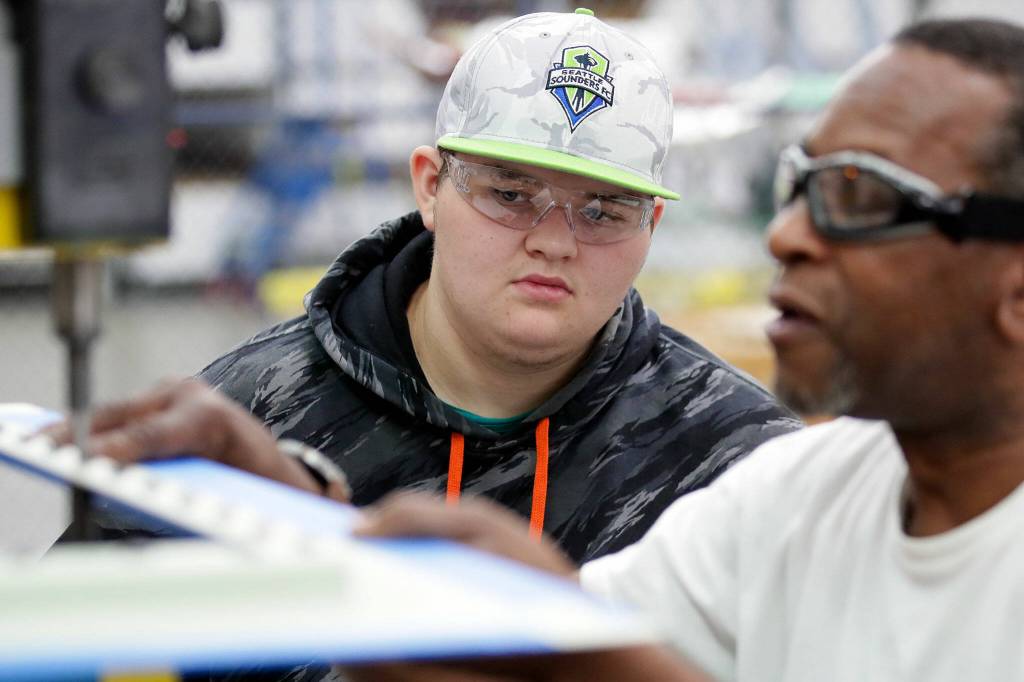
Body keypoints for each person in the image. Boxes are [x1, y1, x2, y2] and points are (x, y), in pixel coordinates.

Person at [341, 16, 1024, 682]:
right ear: (430, 184)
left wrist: (588, 659)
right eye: (799, 185)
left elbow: (578, 653)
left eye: (861, 195)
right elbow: (517, 650)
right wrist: (283, 515)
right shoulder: (797, 495)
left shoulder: (741, 443)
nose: (785, 234)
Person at [194, 7, 798, 565]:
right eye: (510, 196)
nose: (554, 241)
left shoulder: (737, 462)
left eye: (603, 212)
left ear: (651, 226)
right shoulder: (246, 431)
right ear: (431, 186)